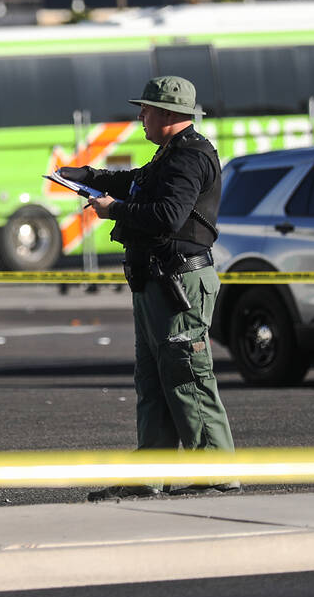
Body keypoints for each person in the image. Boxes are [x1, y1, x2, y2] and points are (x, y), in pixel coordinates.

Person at [54, 76, 237, 501]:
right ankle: (150, 475)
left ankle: (216, 473)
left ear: (170, 115)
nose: (140, 116)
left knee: (188, 377)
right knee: (155, 382)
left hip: (179, 285)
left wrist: (113, 210)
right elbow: (137, 182)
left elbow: (169, 215)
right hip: (158, 283)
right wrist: (91, 176)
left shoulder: (189, 157)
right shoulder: (171, 155)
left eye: (147, 110)